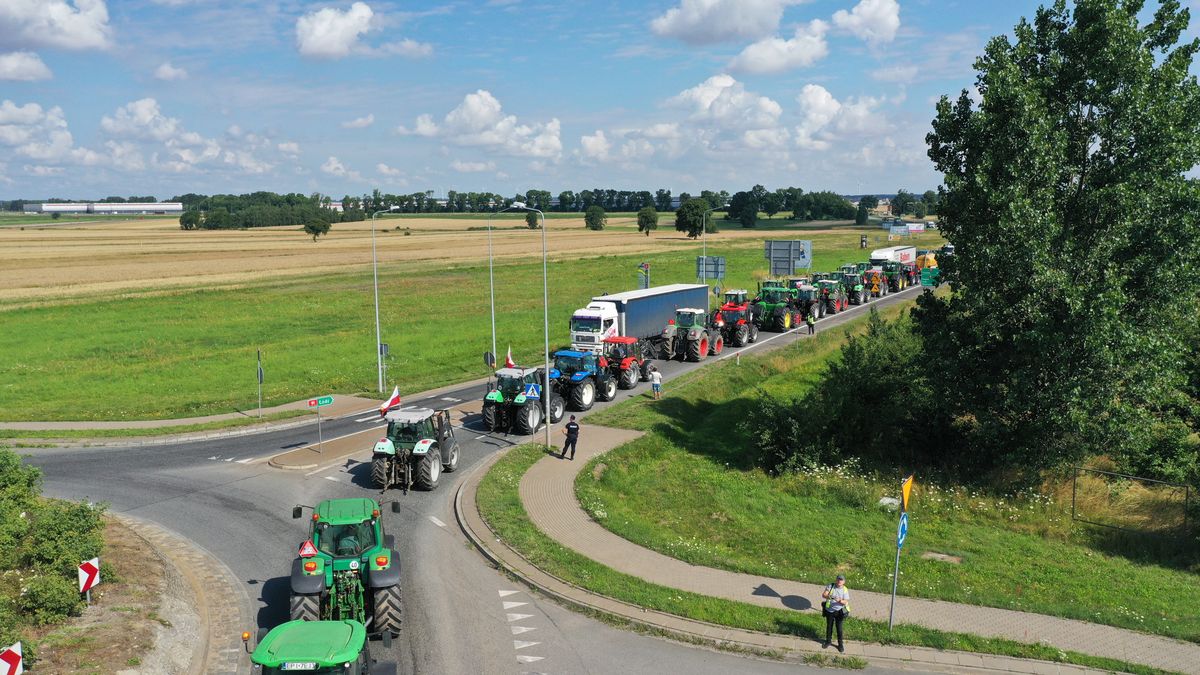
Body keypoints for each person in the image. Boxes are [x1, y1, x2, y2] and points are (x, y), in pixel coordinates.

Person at [822, 574, 850, 652]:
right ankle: (828, 641)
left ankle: (840, 644)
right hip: (830, 610)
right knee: (829, 626)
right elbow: (824, 594)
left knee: (839, 629)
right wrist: (830, 596)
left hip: (839, 611)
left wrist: (840, 600)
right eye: (838, 579)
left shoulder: (845, 590)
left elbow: (846, 601)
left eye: (841, 580)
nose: (839, 581)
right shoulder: (831, 586)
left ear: (844, 582)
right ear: (836, 580)